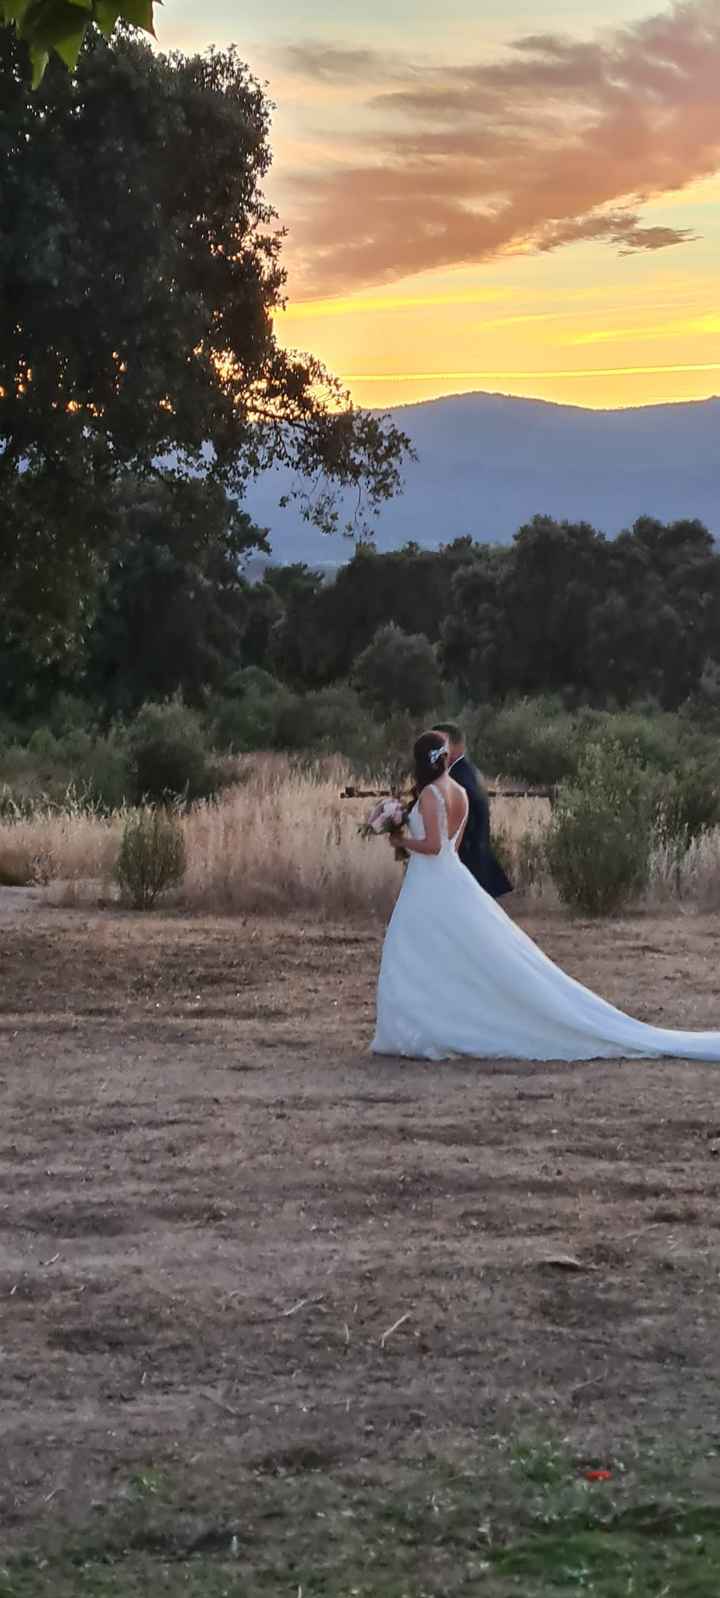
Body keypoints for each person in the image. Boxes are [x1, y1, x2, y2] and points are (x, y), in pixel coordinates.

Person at [371, 730, 720, 1062]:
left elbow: (433, 846)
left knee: (412, 953)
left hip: (430, 885)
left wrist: (401, 841)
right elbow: (453, 846)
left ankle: (424, 1026)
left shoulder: (431, 795)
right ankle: (431, 1023)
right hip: (448, 879)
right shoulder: (459, 791)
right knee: (444, 954)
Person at [432, 721, 512, 899]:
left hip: (467, 859)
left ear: (457, 745)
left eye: (439, 743)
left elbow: (463, 822)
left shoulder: (459, 777)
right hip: (473, 857)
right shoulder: (465, 771)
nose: (434, 749)